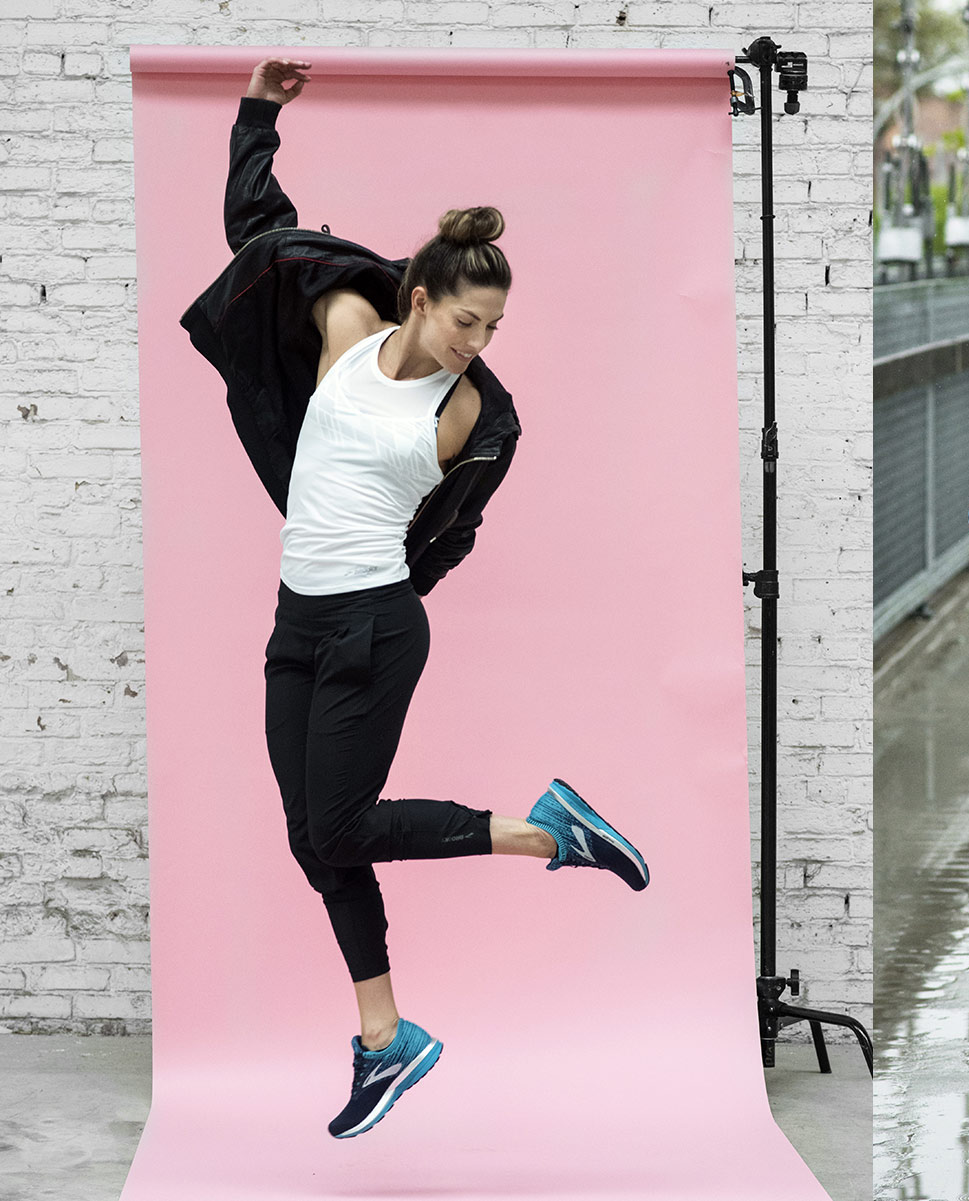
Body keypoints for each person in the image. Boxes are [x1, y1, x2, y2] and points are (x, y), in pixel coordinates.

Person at [180, 58, 650, 1139]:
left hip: (370, 626)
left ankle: (546, 835)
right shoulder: (346, 331)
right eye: (463, 323)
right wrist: (259, 112)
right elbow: (257, 230)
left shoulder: (471, 418)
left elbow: (455, 533)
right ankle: (388, 1041)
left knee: (336, 821)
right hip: (294, 621)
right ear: (422, 296)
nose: (476, 347)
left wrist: (388, 600)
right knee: (314, 838)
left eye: (492, 332)